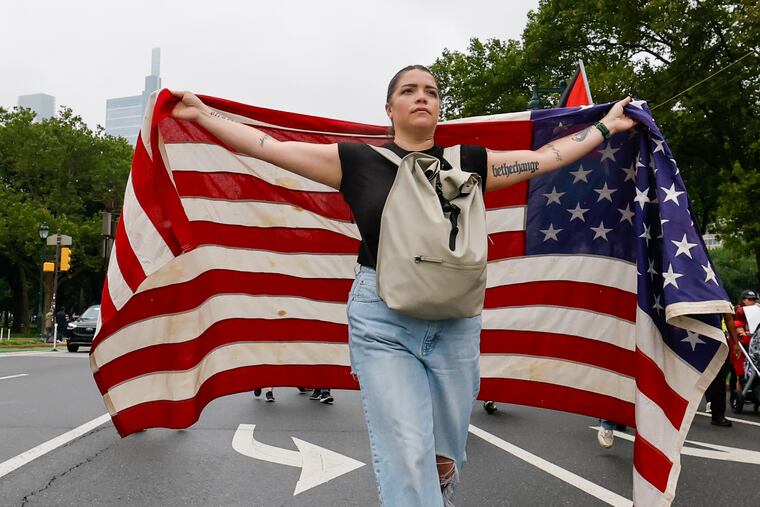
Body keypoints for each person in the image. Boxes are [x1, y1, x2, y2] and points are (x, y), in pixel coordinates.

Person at [171, 65, 636, 506]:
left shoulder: (469, 163)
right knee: (408, 449)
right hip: (382, 319)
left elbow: (541, 159)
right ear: (390, 109)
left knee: (442, 452)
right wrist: (202, 114)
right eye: (408, 91)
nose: (421, 97)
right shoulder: (355, 160)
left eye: (431, 92)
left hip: (455, 321)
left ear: (439, 109)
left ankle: (440, 483)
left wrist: (606, 127)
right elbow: (266, 145)